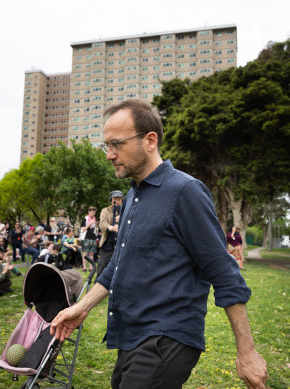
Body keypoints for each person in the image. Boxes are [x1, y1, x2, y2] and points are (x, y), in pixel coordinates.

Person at [50, 99, 268, 389]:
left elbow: (224, 271)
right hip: (132, 335)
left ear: (149, 140)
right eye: (106, 145)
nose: (109, 155)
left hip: (167, 338)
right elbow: (118, 264)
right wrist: (83, 307)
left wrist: (247, 351)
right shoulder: (131, 197)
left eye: (117, 144)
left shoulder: (185, 191)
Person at [98, 190, 123, 278]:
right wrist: (111, 227)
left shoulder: (126, 210)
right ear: (111, 200)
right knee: (101, 268)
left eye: (119, 199)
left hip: (121, 244)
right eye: (115, 199)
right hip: (108, 244)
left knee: (121, 269)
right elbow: (102, 223)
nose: (117, 201)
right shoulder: (105, 210)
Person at [80, 206, 98, 272]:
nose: (93, 212)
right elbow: (82, 229)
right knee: (85, 253)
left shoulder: (95, 219)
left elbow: (96, 230)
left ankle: (91, 267)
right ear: (89, 211)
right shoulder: (85, 219)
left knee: (91, 253)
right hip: (86, 237)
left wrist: (96, 226)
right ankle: (84, 267)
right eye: (91, 211)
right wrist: (89, 224)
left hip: (93, 237)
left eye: (94, 211)